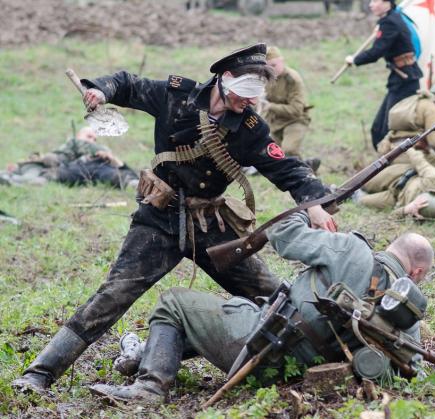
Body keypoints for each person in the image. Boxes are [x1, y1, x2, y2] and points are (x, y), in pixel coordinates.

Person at [12, 44, 337, 394]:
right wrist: (100, 90)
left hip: (211, 226)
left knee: (272, 295)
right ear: (224, 79)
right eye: (245, 94)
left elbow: (285, 168)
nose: (250, 103)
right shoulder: (175, 95)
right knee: (111, 297)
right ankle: (39, 374)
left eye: (256, 97)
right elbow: (128, 85)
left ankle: (324, 350)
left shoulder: (250, 127)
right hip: (158, 220)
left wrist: (313, 204)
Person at [88, 212, 434, 403]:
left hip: (260, 346)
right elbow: (408, 369)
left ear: (391, 247)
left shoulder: (349, 249)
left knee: (174, 303)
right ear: (415, 272)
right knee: (234, 308)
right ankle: (141, 353)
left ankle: (149, 386)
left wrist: (307, 211)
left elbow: (284, 235)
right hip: (299, 376)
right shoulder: (406, 312)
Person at [355, 80, 435, 219]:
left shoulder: (416, 103)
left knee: (391, 182)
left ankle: (367, 194)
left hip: (395, 152)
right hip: (412, 155)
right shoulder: (432, 108)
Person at [345, 0, 423, 150]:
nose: (370, 4)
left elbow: (376, 52)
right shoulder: (392, 18)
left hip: (405, 81)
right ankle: (383, 163)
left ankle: (391, 164)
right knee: (378, 129)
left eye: (375, 1)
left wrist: (354, 60)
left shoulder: (390, 22)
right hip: (400, 79)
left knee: (388, 130)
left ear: (387, 2)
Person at [0, 127, 138, 189]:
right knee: (48, 175)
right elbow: (52, 160)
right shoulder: (69, 147)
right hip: (73, 170)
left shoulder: (101, 150)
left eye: (94, 138)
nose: (92, 140)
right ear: (78, 136)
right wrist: (17, 167)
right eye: (88, 136)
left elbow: (119, 166)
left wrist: (111, 158)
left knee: (120, 176)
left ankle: (139, 186)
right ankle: (14, 180)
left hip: (100, 168)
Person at [260, 46, 320, 172]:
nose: (271, 69)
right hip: (275, 122)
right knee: (272, 155)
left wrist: (270, 106)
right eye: (267, 67)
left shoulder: (293, 79)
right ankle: (307, 166)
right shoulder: (267, 77)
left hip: (295, 120)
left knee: (289, 150)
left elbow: (296, 110)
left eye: (274, 65)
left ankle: (306, 175)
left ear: (282, 61)